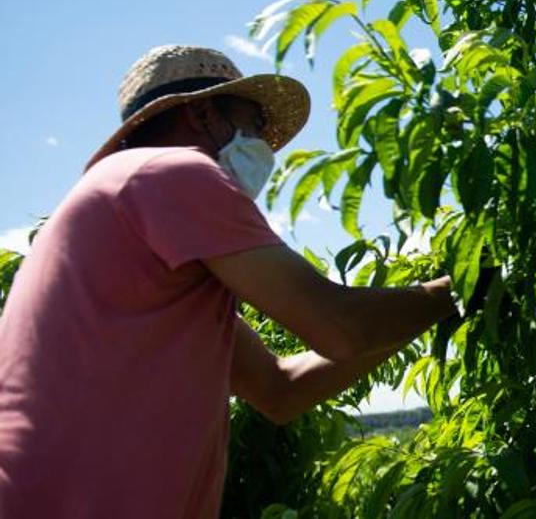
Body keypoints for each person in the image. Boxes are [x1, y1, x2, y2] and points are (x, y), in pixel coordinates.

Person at [0, 45, 460, 518]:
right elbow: (339, 326)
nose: (261, 145)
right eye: (254, 125)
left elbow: (280, 389)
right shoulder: (172, 172)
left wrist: (432, 309)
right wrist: (461, 287)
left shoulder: (134, 212)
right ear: (202, 113)